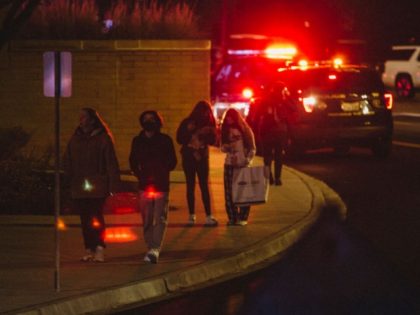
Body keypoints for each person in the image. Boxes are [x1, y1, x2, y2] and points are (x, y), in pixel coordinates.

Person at [63, 107, 120, 263]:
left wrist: (113, 186)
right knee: (85, 218)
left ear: (92, 120)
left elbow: (111, 163)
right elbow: (67, 159)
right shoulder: (75, 139)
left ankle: (99, 247)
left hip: (97, 185)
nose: (81, 120)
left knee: (96, 217)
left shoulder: (103, 139)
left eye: (84, 117)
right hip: (80, 185)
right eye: (80, 117)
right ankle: (89, 248)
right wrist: (67, 178)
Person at [129, 110, 177, 264]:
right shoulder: (137, 141)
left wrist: (162, 170)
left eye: (151, 119)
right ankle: (150, 245)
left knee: (160, 218)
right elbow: (133, 160)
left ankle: (155, 248)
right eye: (145, 119)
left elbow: (172, 161)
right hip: (144, 184)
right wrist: (139, 173)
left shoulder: (165, 140)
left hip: (161, 184)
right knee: (147, 218)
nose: (148, 121)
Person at [176, 100, 218, 226]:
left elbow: (213, 141)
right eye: (202, 111)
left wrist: (207, 133)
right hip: (189, 156)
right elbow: (179, 139)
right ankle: (192, 216)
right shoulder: (187, 122)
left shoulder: (209, 124)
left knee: (204, 186)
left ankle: (208, 215)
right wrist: (189, 131)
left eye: (206, 111)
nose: (204, 114)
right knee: (191, 185)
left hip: (202, 157)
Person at [220, 108, 256, 226]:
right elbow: (222, 147)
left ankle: (243, 217)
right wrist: (226, 147)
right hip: (229, 164)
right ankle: (232, 217)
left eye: (231, 117)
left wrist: (247, 160)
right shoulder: (225, 131)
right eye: (227, 118)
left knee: (244, 192)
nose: (229, 120)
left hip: (243, 165)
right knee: (229, 193)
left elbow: (252, 148)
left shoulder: (246, 130)